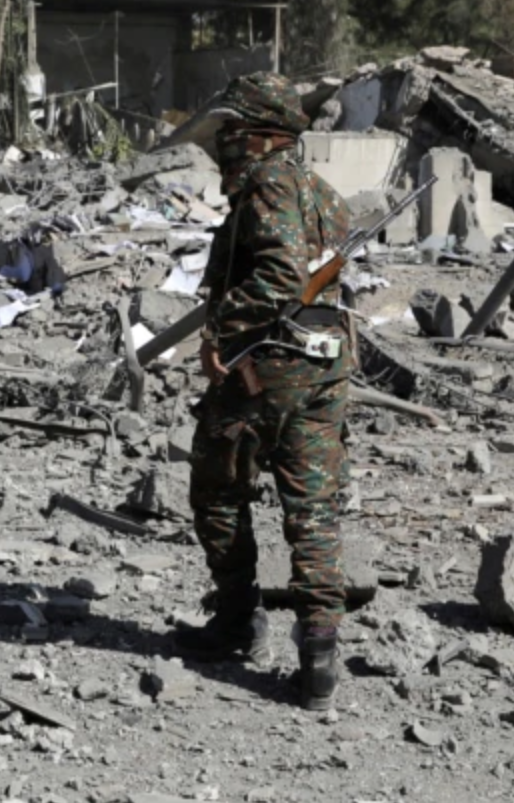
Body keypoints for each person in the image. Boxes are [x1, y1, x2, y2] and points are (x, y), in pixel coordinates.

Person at [172, 72, 356, 711]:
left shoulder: (266, 187)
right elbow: (323, 275)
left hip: (267, 371)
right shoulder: (322, 194)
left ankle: (235, 623)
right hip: (325, 368)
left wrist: (221, 331)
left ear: (255, 136)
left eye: (228, 133)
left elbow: (281, 278)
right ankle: (320, 660)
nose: (222, 145)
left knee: (218, 490)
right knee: (312, 508)